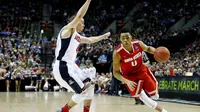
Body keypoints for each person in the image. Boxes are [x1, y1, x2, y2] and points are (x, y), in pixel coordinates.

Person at [53, 0, 110, 112]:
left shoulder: (76, 36)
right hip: (62, 68)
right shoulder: (67, 30)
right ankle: (63, 110)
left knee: (91, 75)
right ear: (76, 22)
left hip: (71, 67)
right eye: (82, 22)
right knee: (82, 92)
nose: (83, 25)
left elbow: (89, 40)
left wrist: (102, 37)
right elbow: (79, 16)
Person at [113, 29, 167, 112]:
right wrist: (126, 81)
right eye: (123, 38)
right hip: (129, 76)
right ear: (120, 39)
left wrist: (157, 52)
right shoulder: (117, 53)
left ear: (131, 37)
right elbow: (115, 73)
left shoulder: (138, 44)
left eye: (127, 37)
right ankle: (163, 110)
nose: (125, 40)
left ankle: (150, 91)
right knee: (142, 97)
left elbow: (148, 49)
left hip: (141, 70)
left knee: (155, 96)